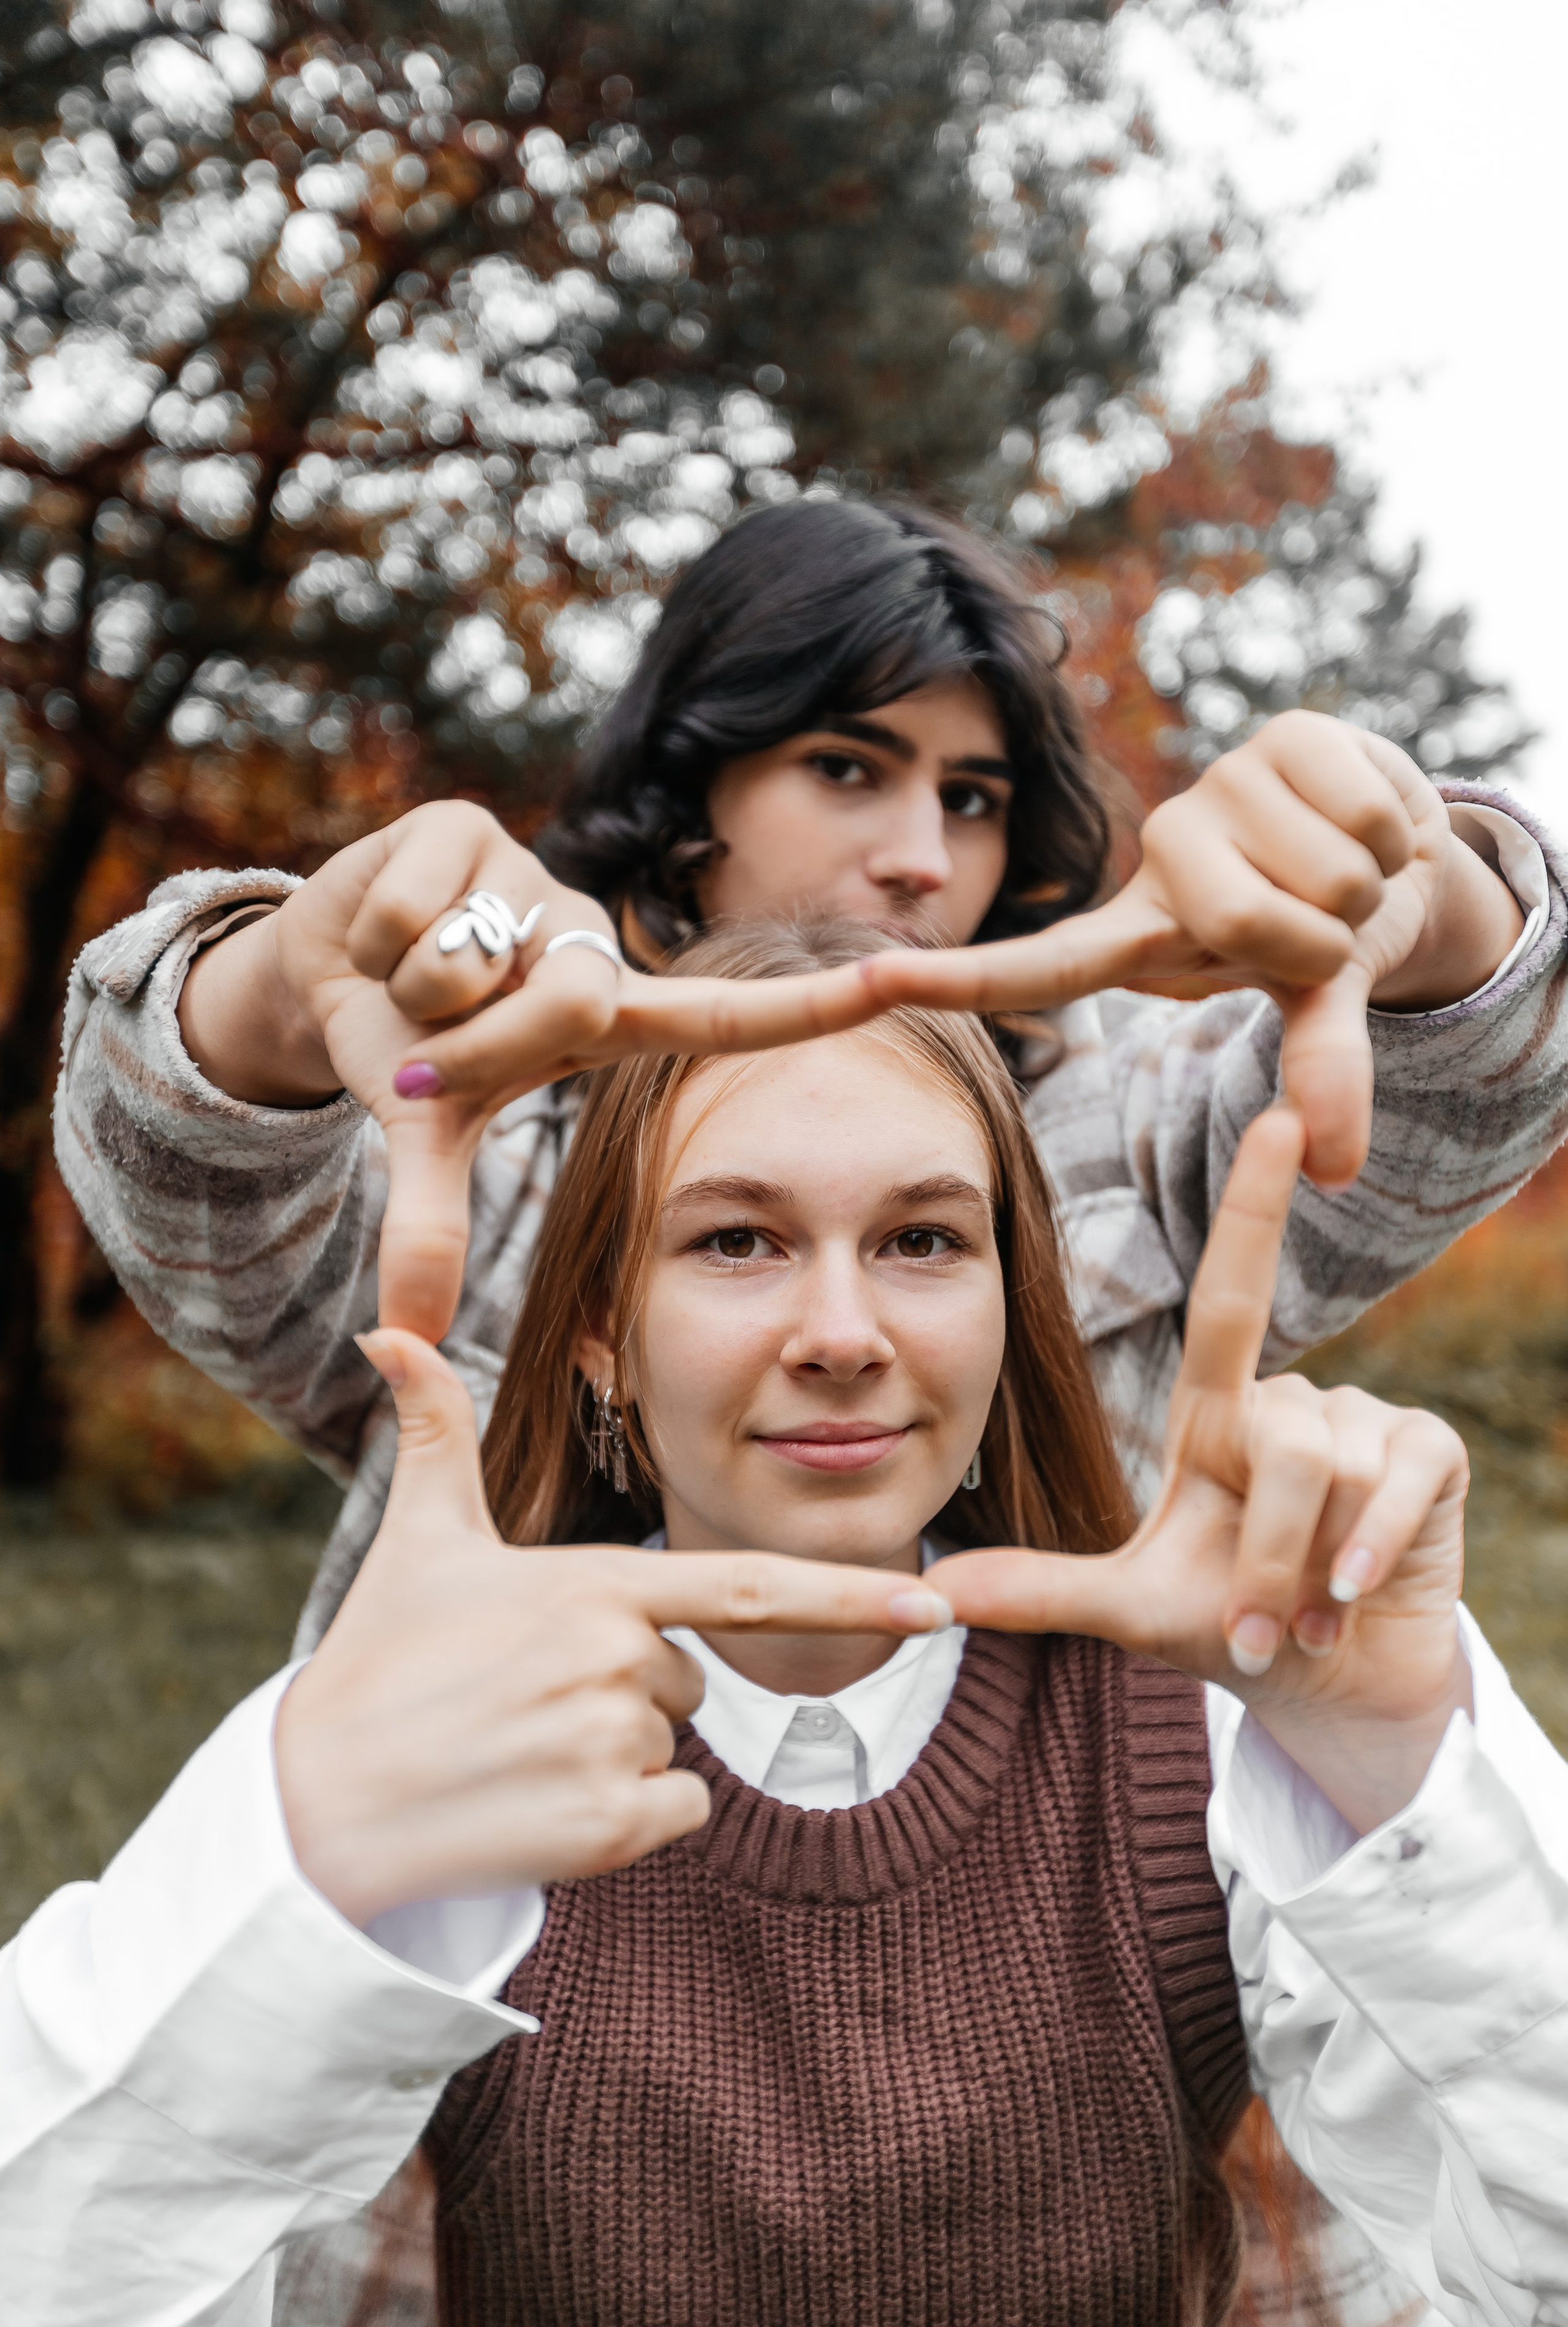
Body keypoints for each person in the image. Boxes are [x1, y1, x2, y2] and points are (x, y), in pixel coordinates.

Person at [9, 921, 1568, 2327]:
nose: (841, 1335)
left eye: (921, 1240)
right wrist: (295, 1851)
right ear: (605, 1335)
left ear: (1007, 1305)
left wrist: (1403, 1764)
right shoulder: (445, 1764)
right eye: (736, 1240)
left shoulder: (1204, 1749)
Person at [53, 501, 1564, 1672]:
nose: (922, 851)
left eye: (970, 797)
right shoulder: (485, 1133)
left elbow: (1473, 1087)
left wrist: (1423, 907)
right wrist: (268, 999)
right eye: (849, 764)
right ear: (690, 787)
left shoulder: (1129, 1124)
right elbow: (193, 1189)